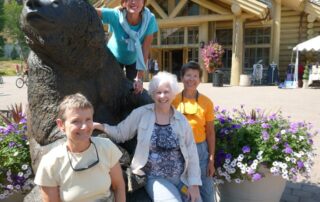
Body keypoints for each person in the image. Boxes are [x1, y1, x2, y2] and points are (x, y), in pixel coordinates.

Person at [94, 72, 202, 202]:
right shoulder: (141, 114)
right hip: (155, 177)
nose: (162, 96)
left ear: (173, 94)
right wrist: (100, 126)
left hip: (181, 178)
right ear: (153, 94)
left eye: (166, 92)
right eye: (158, 92)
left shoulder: (181, 120)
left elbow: (192, 152)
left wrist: (194, 184)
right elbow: (120, 133)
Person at [34, 93, 125, 202]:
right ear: (61, 125)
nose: (84, 126)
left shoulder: (106, 147)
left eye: (88, 119)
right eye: (75, 121)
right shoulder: (50, 163)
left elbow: (119, 186)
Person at [172, 61, 216, 202]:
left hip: (200, 150)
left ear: (200, 80)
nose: (191, 79)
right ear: (181, 78)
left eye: (195, 76)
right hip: (180, 151)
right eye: (188, 75)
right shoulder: (173, 101)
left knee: (207, 191)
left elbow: (210, 132)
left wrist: (211, 159)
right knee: (186, 192)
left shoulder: (206, 102)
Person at [96, 0, 158, 94]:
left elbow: (145, 49)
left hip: (133, 60)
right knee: (112, 89)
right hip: (113, 58)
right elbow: (91, 11)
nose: (134, 2)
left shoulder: (150, 19)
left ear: (143, 3)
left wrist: (140, 79)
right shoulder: (116, 15)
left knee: (133, 90)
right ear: (124, 3)